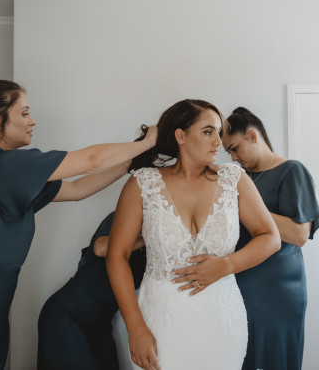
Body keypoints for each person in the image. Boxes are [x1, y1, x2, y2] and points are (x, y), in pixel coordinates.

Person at [0, 79, 157, 370]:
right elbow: (91, 160)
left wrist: (133, 161)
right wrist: (146, 142)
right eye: (24, 113)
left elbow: (78, 190)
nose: (32, 121)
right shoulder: (0, 164)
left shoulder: (3, 172)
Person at [106, 99, 281, 370]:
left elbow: (270, 237)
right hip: (160, 321)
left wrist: (226, 265)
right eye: (208, 131)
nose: (218, 142)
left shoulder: (234, 179)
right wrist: (135, 326)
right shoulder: (142, 183)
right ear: (181, 136)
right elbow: (117, 255)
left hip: (222, 322)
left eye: (218, 132)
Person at [221, 107, 319, 370]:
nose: (233, 157)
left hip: (277, 288)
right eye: (229, 152)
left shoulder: (291, 171)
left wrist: (248, 208)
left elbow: (299, 234)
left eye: (235, 148)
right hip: (240, 284)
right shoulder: (239, 179)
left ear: (253, 136)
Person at [37, 211, 147, 370]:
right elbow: (100, 248)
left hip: (100, 324)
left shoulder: (160, 247)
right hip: (68, 316)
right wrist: (150, 237)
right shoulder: (129, 213)